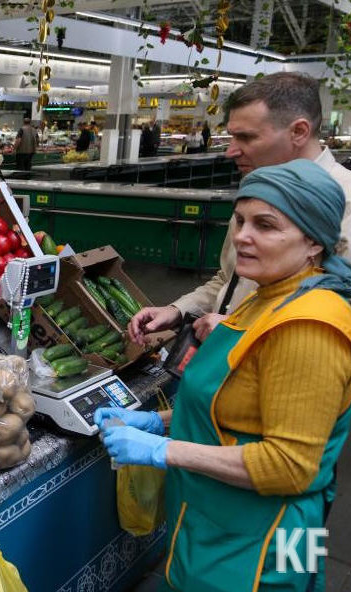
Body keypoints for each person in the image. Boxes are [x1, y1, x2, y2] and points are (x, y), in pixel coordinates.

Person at [97, 159, 351, 592]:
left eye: (266, 225)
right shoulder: (270, 295)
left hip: (263, 544)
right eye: (239, 220)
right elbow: (244, 410)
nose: (242, 236)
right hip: (222, 525)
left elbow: (289, 467)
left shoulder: (308, 326)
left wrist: (164, 449)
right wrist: (158, 422)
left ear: (313, 242)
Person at [129, 72, 351, 345]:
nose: (230, 151)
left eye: (246, 137)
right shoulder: (256, 192)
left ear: (299, 131)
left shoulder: (346, 202)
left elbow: (336, 319)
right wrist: (178, 310)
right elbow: (231, 278)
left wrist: (243, 332)